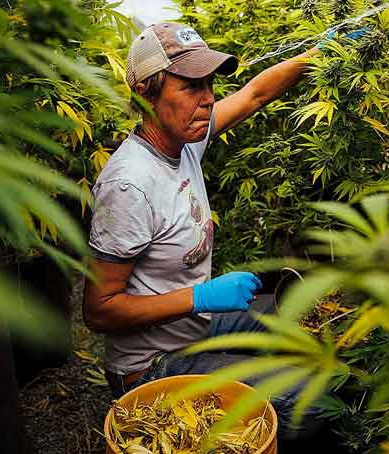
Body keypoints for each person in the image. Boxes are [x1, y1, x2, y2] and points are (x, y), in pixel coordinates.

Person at [83, 21, 358, 437]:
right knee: (322, 403)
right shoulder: (129, 185)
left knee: (299, 337)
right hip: (152, 367)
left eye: (209, 84)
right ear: (146, 93)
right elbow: (99, 309)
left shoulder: (185, 140)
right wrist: (200, 296)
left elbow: (254, 94)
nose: (209, 99)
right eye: (191, 86)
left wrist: (318, 55)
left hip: (194, 328)